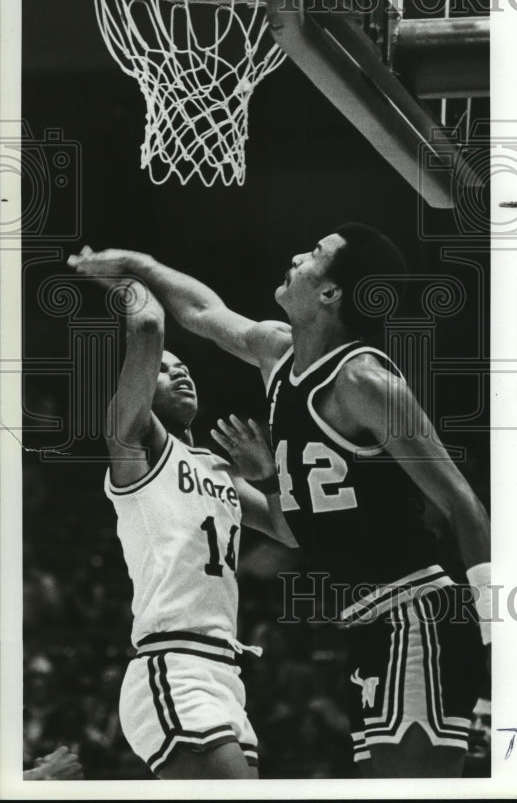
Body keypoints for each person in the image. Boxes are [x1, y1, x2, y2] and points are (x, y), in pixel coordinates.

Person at [68, 223, 492, 778]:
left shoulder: (364, 381)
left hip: (413, 610)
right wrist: (139, 263)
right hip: (368, 623)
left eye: (315, 253)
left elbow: (464, 504)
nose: (297, 254)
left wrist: (494, 634)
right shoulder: (276, 352)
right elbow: (200, 312)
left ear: (331, 293)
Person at [80, 273, 295, 780]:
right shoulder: (135, 452)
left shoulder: (218, 470)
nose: (181, 375)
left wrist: (267, 478)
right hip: (172, 663)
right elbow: (150, 327)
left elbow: (290, 533)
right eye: (164, 371)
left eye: (186, 369)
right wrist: (128, 275)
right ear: (137, 387)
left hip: (224, 670)